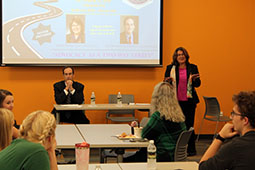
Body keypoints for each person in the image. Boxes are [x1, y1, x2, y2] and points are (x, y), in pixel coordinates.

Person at [124, 82, 186, 162]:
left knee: (126, 160)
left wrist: (136, 128)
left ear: (156, 98)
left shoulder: (158, 117)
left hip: (159, 156)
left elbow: (144, 135)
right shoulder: (179, 116)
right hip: (173, 156)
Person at [199, 91, 255, 170]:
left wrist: (220, 137)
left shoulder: (235, 147)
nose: (231, 117)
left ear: (245, 120)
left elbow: (203, 167)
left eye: (234, 113)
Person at [164, 47, 201, 156]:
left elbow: (198, 84)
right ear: (175, 57)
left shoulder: (193, 67)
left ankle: (191, 150)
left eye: (182, 54)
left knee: (189, 125)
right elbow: (165, 84)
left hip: (189, 102)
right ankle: (174, 149)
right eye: (178, 55)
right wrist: (167, 81)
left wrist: (194, 80)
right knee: (175, 126)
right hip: (175, 102)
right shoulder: (170, 68)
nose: (181, 56)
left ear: (186, 56)